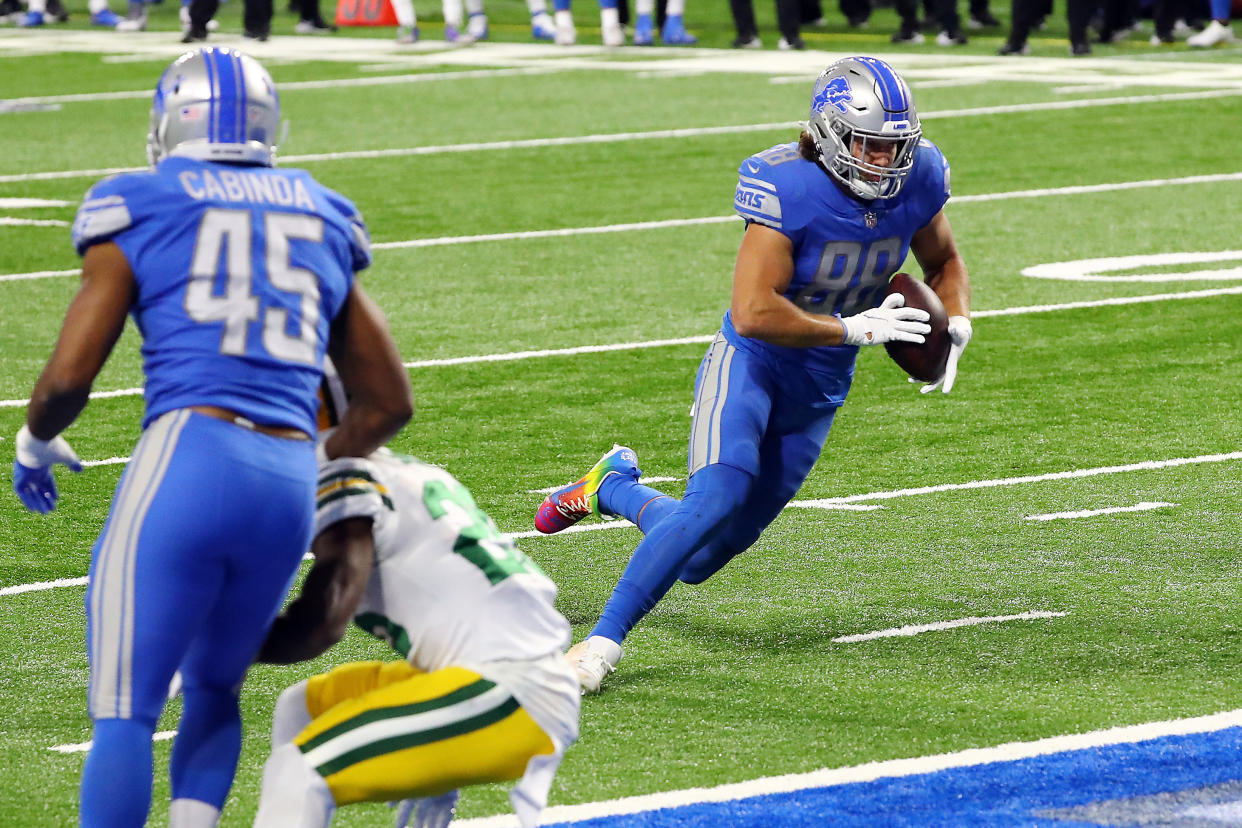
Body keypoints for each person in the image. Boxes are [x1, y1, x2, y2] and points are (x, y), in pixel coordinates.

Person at [11, 47, 414, 827]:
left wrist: (34, 441)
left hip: (189, 455)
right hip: (288, 480)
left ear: (170, 122)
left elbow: (67, 379)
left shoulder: (141, 199)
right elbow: (388, 400)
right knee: (216, 688)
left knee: (126, 711)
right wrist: (303, 462)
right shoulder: (321, 209)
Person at [535, 56, 972, 694]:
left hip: (819, 386)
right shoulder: (787, 188)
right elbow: (755, 310)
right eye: (870, 145)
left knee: (700, 556)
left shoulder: (920, 177)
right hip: (753, 363)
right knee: (713, 501)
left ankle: (612, 488)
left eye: (895, 148)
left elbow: (945, 259)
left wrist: (955, 321)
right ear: (829, 134)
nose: (884, 162)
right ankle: (599, 647)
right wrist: (852, 328)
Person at [251, 383, 579, 828]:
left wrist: (221, 646)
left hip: (512, 688)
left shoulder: (333, 471)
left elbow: (323, 622)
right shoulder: (404, 470)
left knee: (297, 774)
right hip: (495, 671)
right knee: (301, 707)